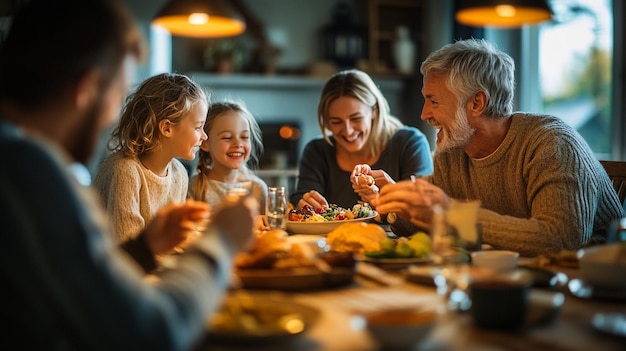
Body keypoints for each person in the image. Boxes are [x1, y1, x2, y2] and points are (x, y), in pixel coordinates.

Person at [0, 1, 258, 350]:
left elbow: (87, 290)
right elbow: (151, 334)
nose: (112, 116)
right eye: (117, 94)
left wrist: (143, 248)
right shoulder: (27, 170)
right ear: (87, 88)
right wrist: (221, 243)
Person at [371, 38, 625, 256]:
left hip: (595, 291)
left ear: (477, 103)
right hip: (512, 279)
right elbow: (444, 225)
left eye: (433, 101)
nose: (424, 114)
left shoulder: (552, 144)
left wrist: (451, 213)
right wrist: (395, 208)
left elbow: (560, 240)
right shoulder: (453, 150)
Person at [93, 72, 208, 249]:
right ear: (167, 128)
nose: (204, 136)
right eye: (198, 127)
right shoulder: (125, 171)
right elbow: (128, 252)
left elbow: (174, 239)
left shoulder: (179, 174)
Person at [290, 69, 433, 210]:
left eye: (356, 118)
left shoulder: (411, 143)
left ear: (374, 111)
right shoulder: (317, 151)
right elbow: (302, 196)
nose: (348, 130)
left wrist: (390, 195)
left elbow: (424, 208)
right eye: (336, 121)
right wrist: (304, 201)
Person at [188, 100, 268, 213]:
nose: (238, 144)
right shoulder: (194, 186)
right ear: (205, 143)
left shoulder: (258, 188)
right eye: (227, 138)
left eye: (244, 137)